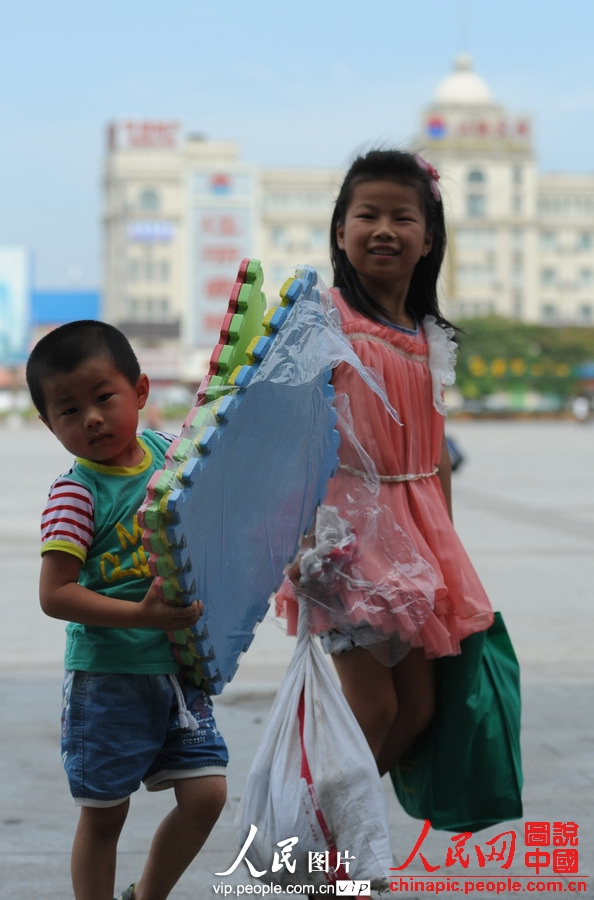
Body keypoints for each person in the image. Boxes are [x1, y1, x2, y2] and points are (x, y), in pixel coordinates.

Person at [277, 149, 493, 777]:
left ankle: (333, 841)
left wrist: (445, 552)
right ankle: (309, 854)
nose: (383, 230)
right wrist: (299, 538)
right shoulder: (323, 318)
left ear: (429, 239)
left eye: (403, 217)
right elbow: (286, 433)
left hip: (417, 545)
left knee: (416, 712)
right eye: (366, 215)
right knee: (368, 710)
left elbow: (435, 457)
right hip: (344, 540)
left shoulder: (429, 337)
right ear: (340, 231)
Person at [26, 321, 228, 900]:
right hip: (108, 681)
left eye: (103, 398)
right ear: (47, 424)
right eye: (68, 410)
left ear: (140, 391)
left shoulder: (169, 456)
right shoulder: (76, 494)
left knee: (207, 796)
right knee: (104, 816)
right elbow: (55, 594)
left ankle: (146, 895)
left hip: (179, 673)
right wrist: (142, 618)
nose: (90, 417)